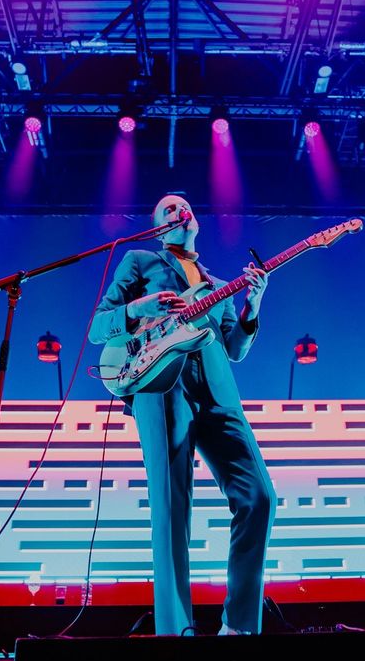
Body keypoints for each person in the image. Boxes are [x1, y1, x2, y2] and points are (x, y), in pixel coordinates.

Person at [89, 194, 276, 635]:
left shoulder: (215, 284)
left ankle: (241, 627)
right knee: (171, 508)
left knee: (259, 498)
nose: (179, 211)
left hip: (218, 395)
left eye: (184, 206)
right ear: (155, 227)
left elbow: (235, 348)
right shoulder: (139, 262)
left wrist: (254, 303)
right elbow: (100, 327)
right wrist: (138, 309)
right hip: (159, 385)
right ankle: (176, 634)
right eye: (167, 210)